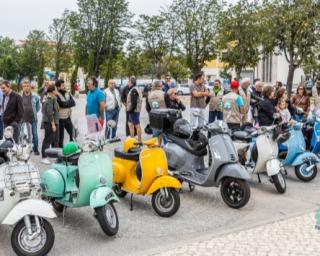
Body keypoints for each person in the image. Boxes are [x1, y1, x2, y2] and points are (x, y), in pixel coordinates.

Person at [41, 84, 59, 164]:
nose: (57, 91)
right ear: (52, 91)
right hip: (49, 122)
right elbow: (49, 113)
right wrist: (53, 124)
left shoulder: (53, 98)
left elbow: (56, 110)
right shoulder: (49, 100)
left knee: (53, 139)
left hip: (54, 121)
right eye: (55, 89)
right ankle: (44, 157)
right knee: (47, 139)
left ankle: (53, 155)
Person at [21, 80, 41, 155]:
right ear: (22, 87)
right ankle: (23, 148)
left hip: (33, 119)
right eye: (24, 86)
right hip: (22, 119)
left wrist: (34, 112)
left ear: (30, 87)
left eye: (27, 86)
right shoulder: (20, 96)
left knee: (35, 134)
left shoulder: (35, 96)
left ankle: (35, 149)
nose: (26, 87)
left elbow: (38, 107)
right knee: (21, 134)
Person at [56, 79, 76, 148]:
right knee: (61, 137)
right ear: (58, 87)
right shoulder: (56, 94)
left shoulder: (67, 93)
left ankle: (72, 147)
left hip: (67, 117)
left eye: (64, 85)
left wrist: (66, 104)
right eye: (62, 85)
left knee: (72, 133)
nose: (64, 86)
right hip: (60, 119)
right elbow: (61, 104)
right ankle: (60, 151)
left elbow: (73, 103)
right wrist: (67, 103)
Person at [127, 77, 143, 142]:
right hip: (134, 110)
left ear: (131, 82)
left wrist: (130, 110)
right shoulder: (136, 89)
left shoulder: (134, 90)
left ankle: (139, 140)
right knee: (130, 124)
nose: (128, 83)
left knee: (137, 125)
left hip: (134, 111)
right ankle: (132, 138)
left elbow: (134, 102)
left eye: (128, 82)